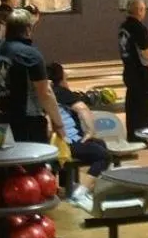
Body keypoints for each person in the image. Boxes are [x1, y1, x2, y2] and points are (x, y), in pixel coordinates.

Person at [0, 7, 64, 144]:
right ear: (28, 29)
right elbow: (45, 93)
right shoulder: (30, 55)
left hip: (1, 122)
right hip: (28, 123)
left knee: (0, 163)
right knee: (32, 165)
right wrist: (58, 124)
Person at [48, 62, 111, 195]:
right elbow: (83, 108)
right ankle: (82, 192)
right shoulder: (61, 92)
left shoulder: (45, 94)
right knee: (103, 156)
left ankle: (68, 186)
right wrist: (91, 131)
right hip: (68, 143)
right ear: (60, 78)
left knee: (100, 144)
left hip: (54, 144)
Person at [118, 0, 148, 138]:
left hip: (128, 70)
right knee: (142, 108)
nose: (145, 11)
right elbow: (146, 52)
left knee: (132, 106)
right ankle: (141, 137)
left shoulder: (123, 26)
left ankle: (132, 135)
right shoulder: (138, 27)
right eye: (144, 8)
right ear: (139, 10)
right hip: (140, 73)